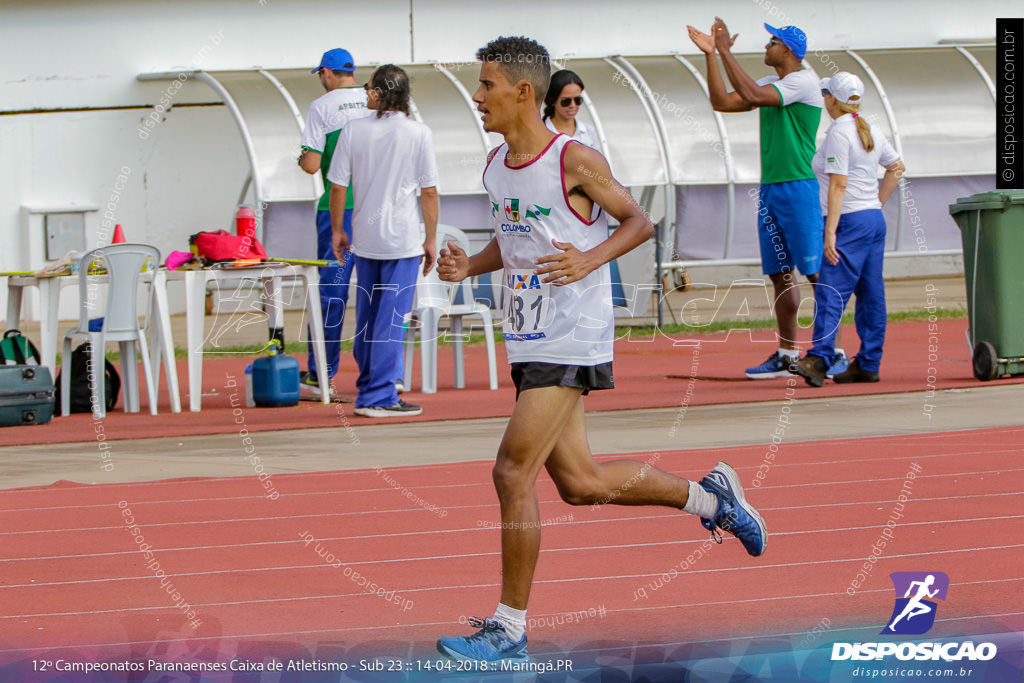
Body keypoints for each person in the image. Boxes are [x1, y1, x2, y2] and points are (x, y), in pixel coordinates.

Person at [434, 36, 766, 664]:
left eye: (487, 86)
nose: (478, 97)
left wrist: (590, 259)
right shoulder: (494, 166)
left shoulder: (573, 160)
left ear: (522, 92)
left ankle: (508, 629)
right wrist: (467, 267)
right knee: (580, 484)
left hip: (573, 334)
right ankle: (713, 499)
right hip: (527, 336)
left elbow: (638, 221)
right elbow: (516, 241)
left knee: (511, 472)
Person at [687, 19, 849, 379]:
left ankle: (829, 351)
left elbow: (756, 97)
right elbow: (722, 102)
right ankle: (788, 354)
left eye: (772, 41)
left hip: (799, 188)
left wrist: (726, 50)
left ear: (788, 50)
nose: (766, 47)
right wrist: (713, 56)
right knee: (780, 275)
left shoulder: (803, 81)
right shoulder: (773, 82)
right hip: (772, 188)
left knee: (815, 273)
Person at [326, 65, 438, 417]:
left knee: (369, 318)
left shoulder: (353, 130)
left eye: (369, 88)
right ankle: (380, 396)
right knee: (394, 318)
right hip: (402, 241)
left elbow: (338, 186)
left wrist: (337, 230)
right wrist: (431, 238)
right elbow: (429, 192)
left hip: (366, 239)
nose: (365, 93)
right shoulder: (419, 133)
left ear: (380, 92)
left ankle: (370, 387)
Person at [789, 72, 904, 387]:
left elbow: (838, 185)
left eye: (825, 93)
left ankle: (819, 358)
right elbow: (896, 168)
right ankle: (868, 363)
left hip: (849, 220)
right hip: (871, 219)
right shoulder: (870, 129)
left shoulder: (839, 133)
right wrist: (876, 204)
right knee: (870, 293)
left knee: (831, 289)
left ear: (830, 99)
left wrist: (830, 232)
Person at [297, 48, 373, 397]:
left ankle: (321, 373)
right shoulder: (375, 98)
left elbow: (312, 165)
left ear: (326, 73)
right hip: (376, 210)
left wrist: (302, 155)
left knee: (332, 293)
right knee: (378, 292)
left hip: (337, 211)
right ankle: (382, 375)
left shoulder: (321, 107)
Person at [542, 69, 599, 149]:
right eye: (566, 101)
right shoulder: (539, 133)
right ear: (553, 101)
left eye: (577, 100)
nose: (573, 105)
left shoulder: (589, 131)